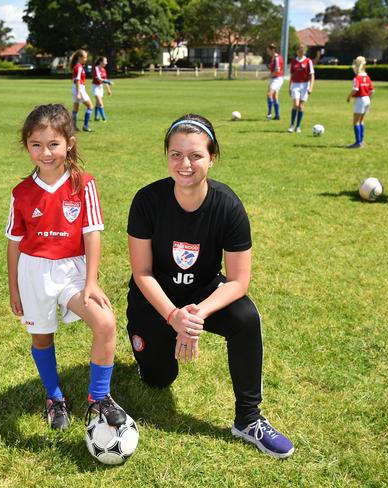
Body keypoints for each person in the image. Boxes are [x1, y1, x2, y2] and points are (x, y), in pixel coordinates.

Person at [126, 114, 294, 459]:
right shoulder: (147, 200)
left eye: (195, 155)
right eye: (175, 154)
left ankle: (249, 419)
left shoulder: (228, 206)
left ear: (212, 157)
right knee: (158, 380)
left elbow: (238, 281)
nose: (184, 164)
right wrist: (173, 316)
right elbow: (142, 272)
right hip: (155, 298)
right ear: (167, 156)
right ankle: (151, 354)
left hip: (202, 295)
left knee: (246, 317)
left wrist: (196, 315)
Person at [5, 103, 128, 430]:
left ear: (69, 143)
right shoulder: (21, 193)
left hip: (73, 272)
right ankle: (54, 396)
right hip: (33, 272)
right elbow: (15, 243)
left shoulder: (83, 184)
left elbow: (92, 233)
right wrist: (14, 288)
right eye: (36, 145)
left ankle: (98, 398)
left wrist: (91, 282)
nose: (45, 152)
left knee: (104, 322)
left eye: (53, 144)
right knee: (42, 338)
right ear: (27, 145)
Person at [346, 56, 374, 149]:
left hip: (360, 99)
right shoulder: (367, 76)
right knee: (361, 120)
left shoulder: (357, 77)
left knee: (356, 121)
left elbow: (355, 89)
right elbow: (371, 90)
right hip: (367, 99)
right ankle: (361, 141)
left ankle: (358, 143)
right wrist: (369, 99)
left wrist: (349, 97)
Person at [287, 46, 315, 133]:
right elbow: (292, 75)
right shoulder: (294, 62)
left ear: (304, 52)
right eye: (299, 51)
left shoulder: (308, 61)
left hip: (305, 85)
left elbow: (312, 75)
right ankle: (292, 125)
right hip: (295, 84)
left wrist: (311, 87)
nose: (300, 52)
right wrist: (289, 87)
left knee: (301, 106)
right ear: (297, 51)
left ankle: (298, 126)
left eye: (302, 51)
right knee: (295, 104)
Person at [70, 50, 94, 132]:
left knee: (75, 109)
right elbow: (77, 80)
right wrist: (79, 93)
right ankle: (86, 126)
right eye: (85, 57)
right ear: (80, 57)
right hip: (79, 89)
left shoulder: (77, 66)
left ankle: (73, 127)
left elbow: (74, 79)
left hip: (75, 88)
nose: (86, 59)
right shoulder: (79, 67)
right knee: (90, 106)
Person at [92, 56, 113, 122]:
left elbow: (104, 79)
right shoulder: (96, 68)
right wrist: (108, 82)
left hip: (100, 87)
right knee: (100, 103)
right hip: (95, 87)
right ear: (101, 62)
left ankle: (96, 118)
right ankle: (104, 118)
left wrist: (108, 89)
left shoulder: (104, 70)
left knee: (98, 103)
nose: (106, 63)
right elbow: (99, 80)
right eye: (105, 61)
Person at [266, 44, 283, 121]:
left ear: (272, 50)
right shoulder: (273, 58)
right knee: (274, 96)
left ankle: (269, 113)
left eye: (268, 50)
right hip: (274, 79)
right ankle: (277, 115)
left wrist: (267, 77)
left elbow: (277, 71)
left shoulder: (277, 58)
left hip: (277, 79)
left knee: (269, 94)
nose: (267, 52)